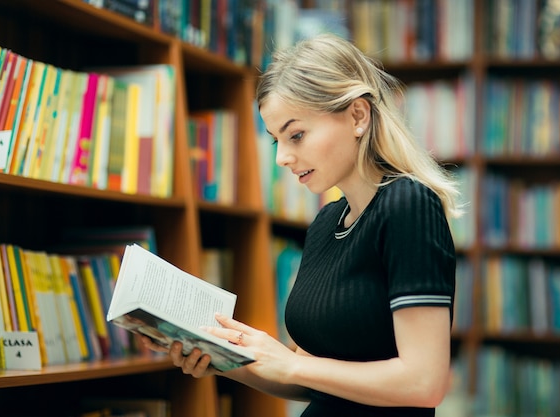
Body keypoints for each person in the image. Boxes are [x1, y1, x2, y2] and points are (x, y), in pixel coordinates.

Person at [142, 33, 461, 417]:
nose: (283, 158)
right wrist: (227, 359)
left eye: (297, 134)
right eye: (277, 141)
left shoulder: (408, 205)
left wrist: (291, 362)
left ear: (358, 115)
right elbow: (310, 381)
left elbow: (424, 383)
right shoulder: (327, 223)